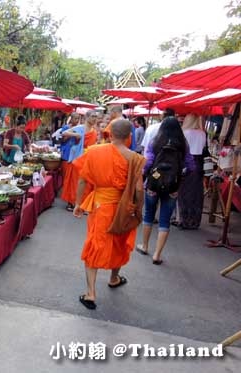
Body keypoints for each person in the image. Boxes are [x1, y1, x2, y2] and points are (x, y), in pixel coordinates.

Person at [73, 119, 145, 310]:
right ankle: (114, 278)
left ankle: (90, 293)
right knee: (119, 243)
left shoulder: (95, 151)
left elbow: (82, 180)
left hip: (100, 206)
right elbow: (139, 189)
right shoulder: (134, 158)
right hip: (123, 209)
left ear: (110, 134)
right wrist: (137, 210)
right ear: (129, 137)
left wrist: (78, 203)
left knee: (94, 246)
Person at [136, 117, 195, 264]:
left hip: (153, 184)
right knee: (165, 220)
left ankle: (144, 246)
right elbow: (191, 166)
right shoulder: (183, 145)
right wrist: (180, 175)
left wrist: (144, 175)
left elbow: (148, 162)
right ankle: (157, 254)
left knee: (149, 215)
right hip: (173, 186)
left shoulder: (156, 142)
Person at [60, 111, 98, 210]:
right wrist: (75, 135)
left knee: (86, 183)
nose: (95, 119)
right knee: (74, 182)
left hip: (88, 158)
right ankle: (71, 203)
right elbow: (64, 133)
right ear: (87, 117)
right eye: (93, 116)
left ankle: (82, 204)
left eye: (96, 117)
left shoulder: (94, 131)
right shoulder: (80, 128)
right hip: (77, 158)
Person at [177, 114, 207, 229]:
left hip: (187, 163)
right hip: (199, 164)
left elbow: (182, 150)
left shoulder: (185, 133)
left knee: (184, 193)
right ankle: (194, 220)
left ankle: (185, 220)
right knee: (196, 194)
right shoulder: (202, 133)